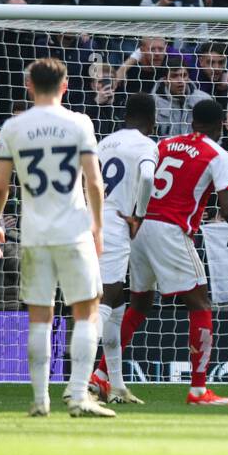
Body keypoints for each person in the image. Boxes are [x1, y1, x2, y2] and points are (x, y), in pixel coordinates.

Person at [118, 98, 228, 406]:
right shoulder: (219, 155)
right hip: (171, 231)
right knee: (200, 304)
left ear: (192, 121)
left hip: (141, 226)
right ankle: (198, 390)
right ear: (221, 125)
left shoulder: (166, 143)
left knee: (140, 303)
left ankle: (102, 375)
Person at [0, 57, 113, 418]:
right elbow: (94, 181)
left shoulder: (13, 127)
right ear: (65, 86)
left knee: (40, 316)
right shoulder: (79, 123)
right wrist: (98, 226)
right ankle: (77, 395)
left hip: (34, 234)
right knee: (87, 310)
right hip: (73, 230)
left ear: (29, 86)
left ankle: (40, 400)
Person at [87, 93, 158, 405]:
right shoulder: (146, 145)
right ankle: (81, 381)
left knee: (116, 310)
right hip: (116, 224)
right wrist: (139, 214)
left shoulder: (105, 143)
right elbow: (147, 175)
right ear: (151, 120)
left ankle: (115, 385)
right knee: (106, 297)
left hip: (92, 219)